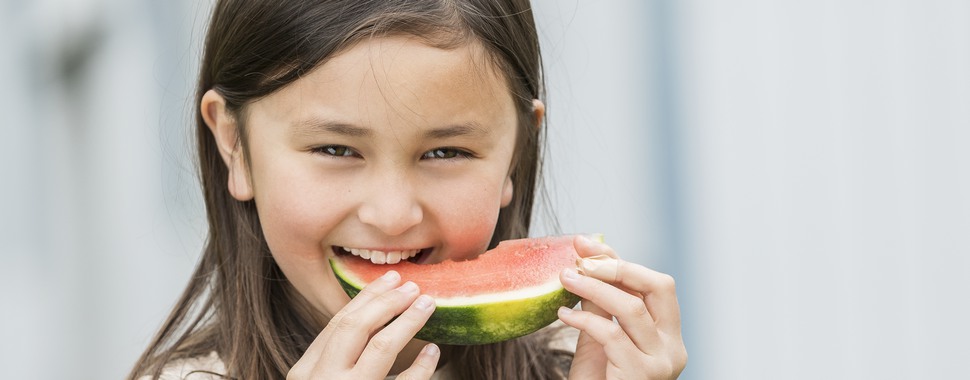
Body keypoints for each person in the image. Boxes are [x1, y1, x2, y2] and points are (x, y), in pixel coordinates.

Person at [128, 0, 687, 379]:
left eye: (445, 153)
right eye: (336, 150)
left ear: (516, 152)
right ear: (236, 145)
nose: (393, 215)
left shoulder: (582, 365)